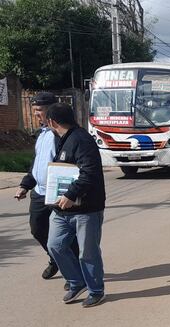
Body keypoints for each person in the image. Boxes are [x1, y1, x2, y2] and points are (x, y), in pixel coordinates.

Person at [45, 103, 107, 307]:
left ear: (52, 122)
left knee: (87, 252)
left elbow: (89, 173)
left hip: (86, 209)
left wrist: (71, 194)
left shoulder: (81, 140)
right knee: (55, 245)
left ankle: (96, 290)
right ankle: (76, 281)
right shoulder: (62, 139)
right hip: (61, 208)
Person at [14, 92, 78, 281]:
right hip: (40, 193)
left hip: (59, 193)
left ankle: (74, 273)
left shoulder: (63, 134)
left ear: (52, 110)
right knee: (37, 229)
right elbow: (37, 163)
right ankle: (55, 259)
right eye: (34, 110)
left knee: (66, 235)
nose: (36, 114)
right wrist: (25, 185)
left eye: (39, 110)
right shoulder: (42, 134)